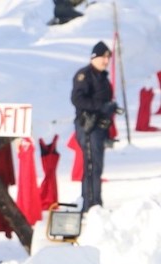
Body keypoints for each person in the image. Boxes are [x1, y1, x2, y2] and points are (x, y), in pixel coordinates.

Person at [70, 41, 120, 212]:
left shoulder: (103, 77)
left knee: (97, 167)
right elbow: (77, 99)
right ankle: (91, 205)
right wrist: (100, 107)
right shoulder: (84, 75)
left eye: (108, 58)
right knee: (91, 167)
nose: (106, 61)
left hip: (100, 128)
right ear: (94, 57)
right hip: (88, 127)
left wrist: (110, 108)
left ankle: (96, 203)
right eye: (103, 57)